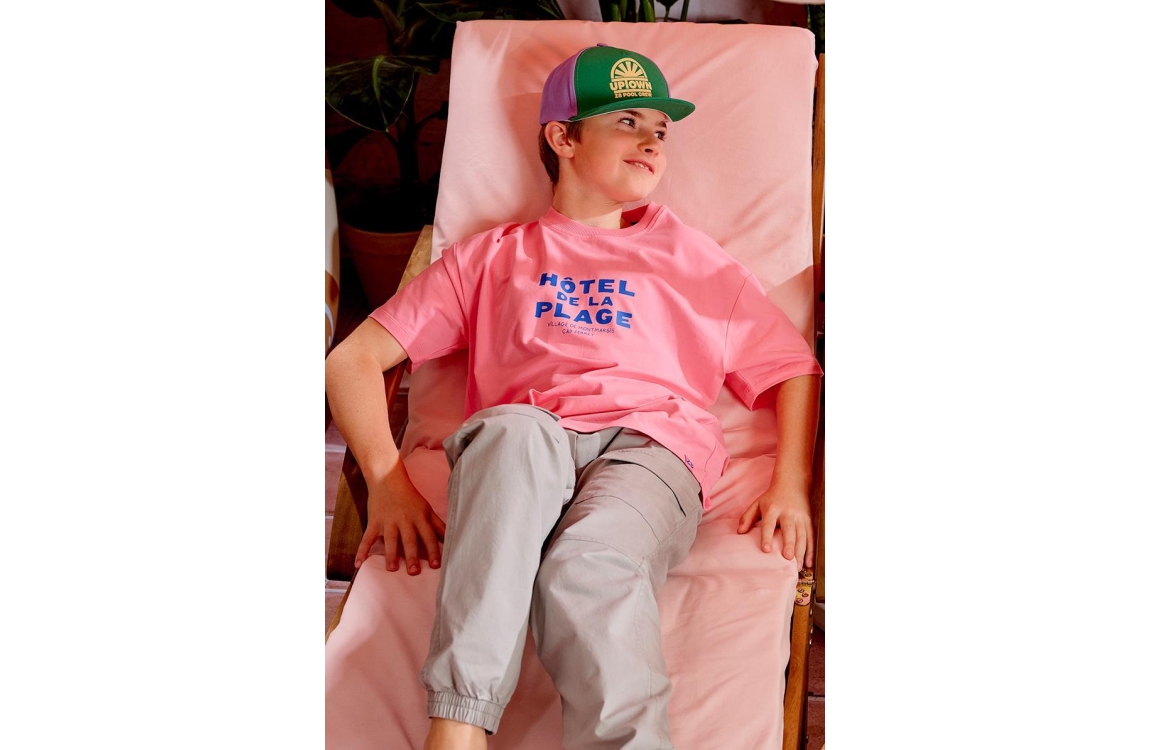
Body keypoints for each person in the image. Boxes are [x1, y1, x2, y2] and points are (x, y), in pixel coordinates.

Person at [324, 44, 823, 750]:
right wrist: (387, 481)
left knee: (588, 564)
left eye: (660, 129)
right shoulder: (493, 256)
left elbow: (791, 366)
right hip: (526, 438)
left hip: (653, 448)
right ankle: (457, 730)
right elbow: (351, 361)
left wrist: (790, 483)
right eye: (626, 121)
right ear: (562, 137)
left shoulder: (693, 259)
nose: (651, 141)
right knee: (509, 432)